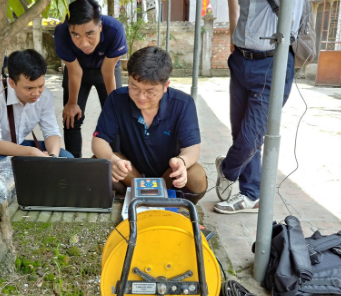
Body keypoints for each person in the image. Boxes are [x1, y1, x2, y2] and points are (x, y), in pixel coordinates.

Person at [213, 0, 303, 214]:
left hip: (272, 62)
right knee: (239, 132)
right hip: (240, 60)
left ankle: (227, 169)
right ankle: (251, 194)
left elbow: (291, 21)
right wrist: (234, 30)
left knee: (251, 137)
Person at [91, 46, 208, 205]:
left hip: (167, 177)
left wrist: (182, 161)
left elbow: (192, 147)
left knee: (196, 174)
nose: (141, 97)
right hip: (131, 175)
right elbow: (99, 140)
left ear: (166, 86)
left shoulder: (183, 104)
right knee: (99, 163)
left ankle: (180, 206)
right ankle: (128, 199)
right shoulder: (116, 99)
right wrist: (112, 159)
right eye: (134, 87)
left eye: (150, 91)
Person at [0, 49, 73, 172]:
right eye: (29, 88)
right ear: (12, 83)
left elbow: (51, 132)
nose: (36, 93)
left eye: (40, 86)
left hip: (19, 147)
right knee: (9, 173)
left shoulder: (45, 96)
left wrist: (52, 158)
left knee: (67, 159)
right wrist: (32, 153)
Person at [54, 0, 128, 158]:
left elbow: (107, 71)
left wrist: (113, 105)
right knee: (71, 118)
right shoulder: (61, 32)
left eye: (90, 33)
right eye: (76, 35)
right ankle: (74, 165)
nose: (84, 43)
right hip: (77, 69)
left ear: (100, 26)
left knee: (115, 118)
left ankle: (116, 165)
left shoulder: (115, 30)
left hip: (107, 69)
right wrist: (72, 103)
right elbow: (74, 71)